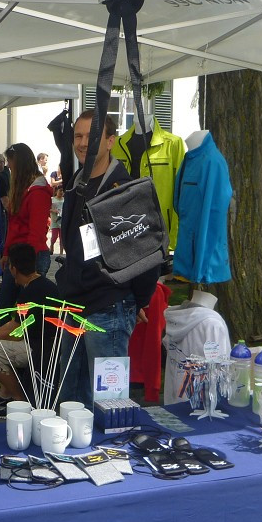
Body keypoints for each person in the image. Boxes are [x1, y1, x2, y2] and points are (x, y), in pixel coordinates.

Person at [59, 110, 159, 406]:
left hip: (108, 306)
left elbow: (147, 254)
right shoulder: (76, 183)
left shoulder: (123, 190)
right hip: (74, 304)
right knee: (70, 402)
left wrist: (138, 300)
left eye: (91, 137)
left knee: (108, 404)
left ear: (110, 141)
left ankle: (113, 453)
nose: (82, 143)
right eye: (78, 136)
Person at [0, 244, 59, 413]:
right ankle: (4, 395)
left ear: (13, 268)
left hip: (40, 349)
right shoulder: (45, 285)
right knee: (0, 344)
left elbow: (14, 329)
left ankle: (19, 400)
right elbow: (15, 324)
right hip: (48, 345)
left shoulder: (29, 292)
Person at [0, 142, 53, 312]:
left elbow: (36, 231)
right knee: (3, 309)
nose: (10, 170)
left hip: (31, 257)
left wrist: (26, 265)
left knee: (25, 313)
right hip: (17, 256)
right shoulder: (23, 189)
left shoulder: (38, 191)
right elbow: (13, 224)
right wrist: (6, 253)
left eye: (11, 166)